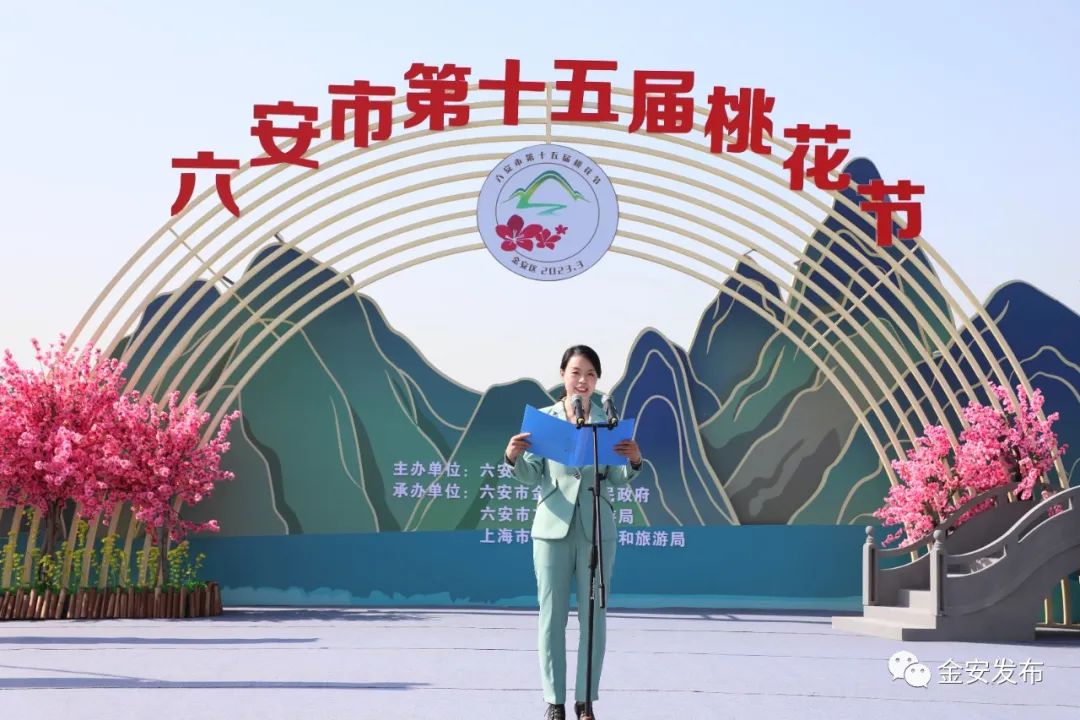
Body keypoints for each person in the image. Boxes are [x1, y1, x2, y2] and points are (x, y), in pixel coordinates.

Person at [504, 345, 643, 720]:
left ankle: (585, 700)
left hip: (597, 529)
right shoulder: (544, 421)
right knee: (551, 617)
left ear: (598, 381)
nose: (583, 381)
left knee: (593, 617)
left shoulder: (607, 422)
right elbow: (532, 474)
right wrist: (513, 457)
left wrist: (633, 460)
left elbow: (616, 477)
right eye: (576, 373)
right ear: (563, 375)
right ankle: (555, 701)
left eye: (591, 375)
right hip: (551, 529)